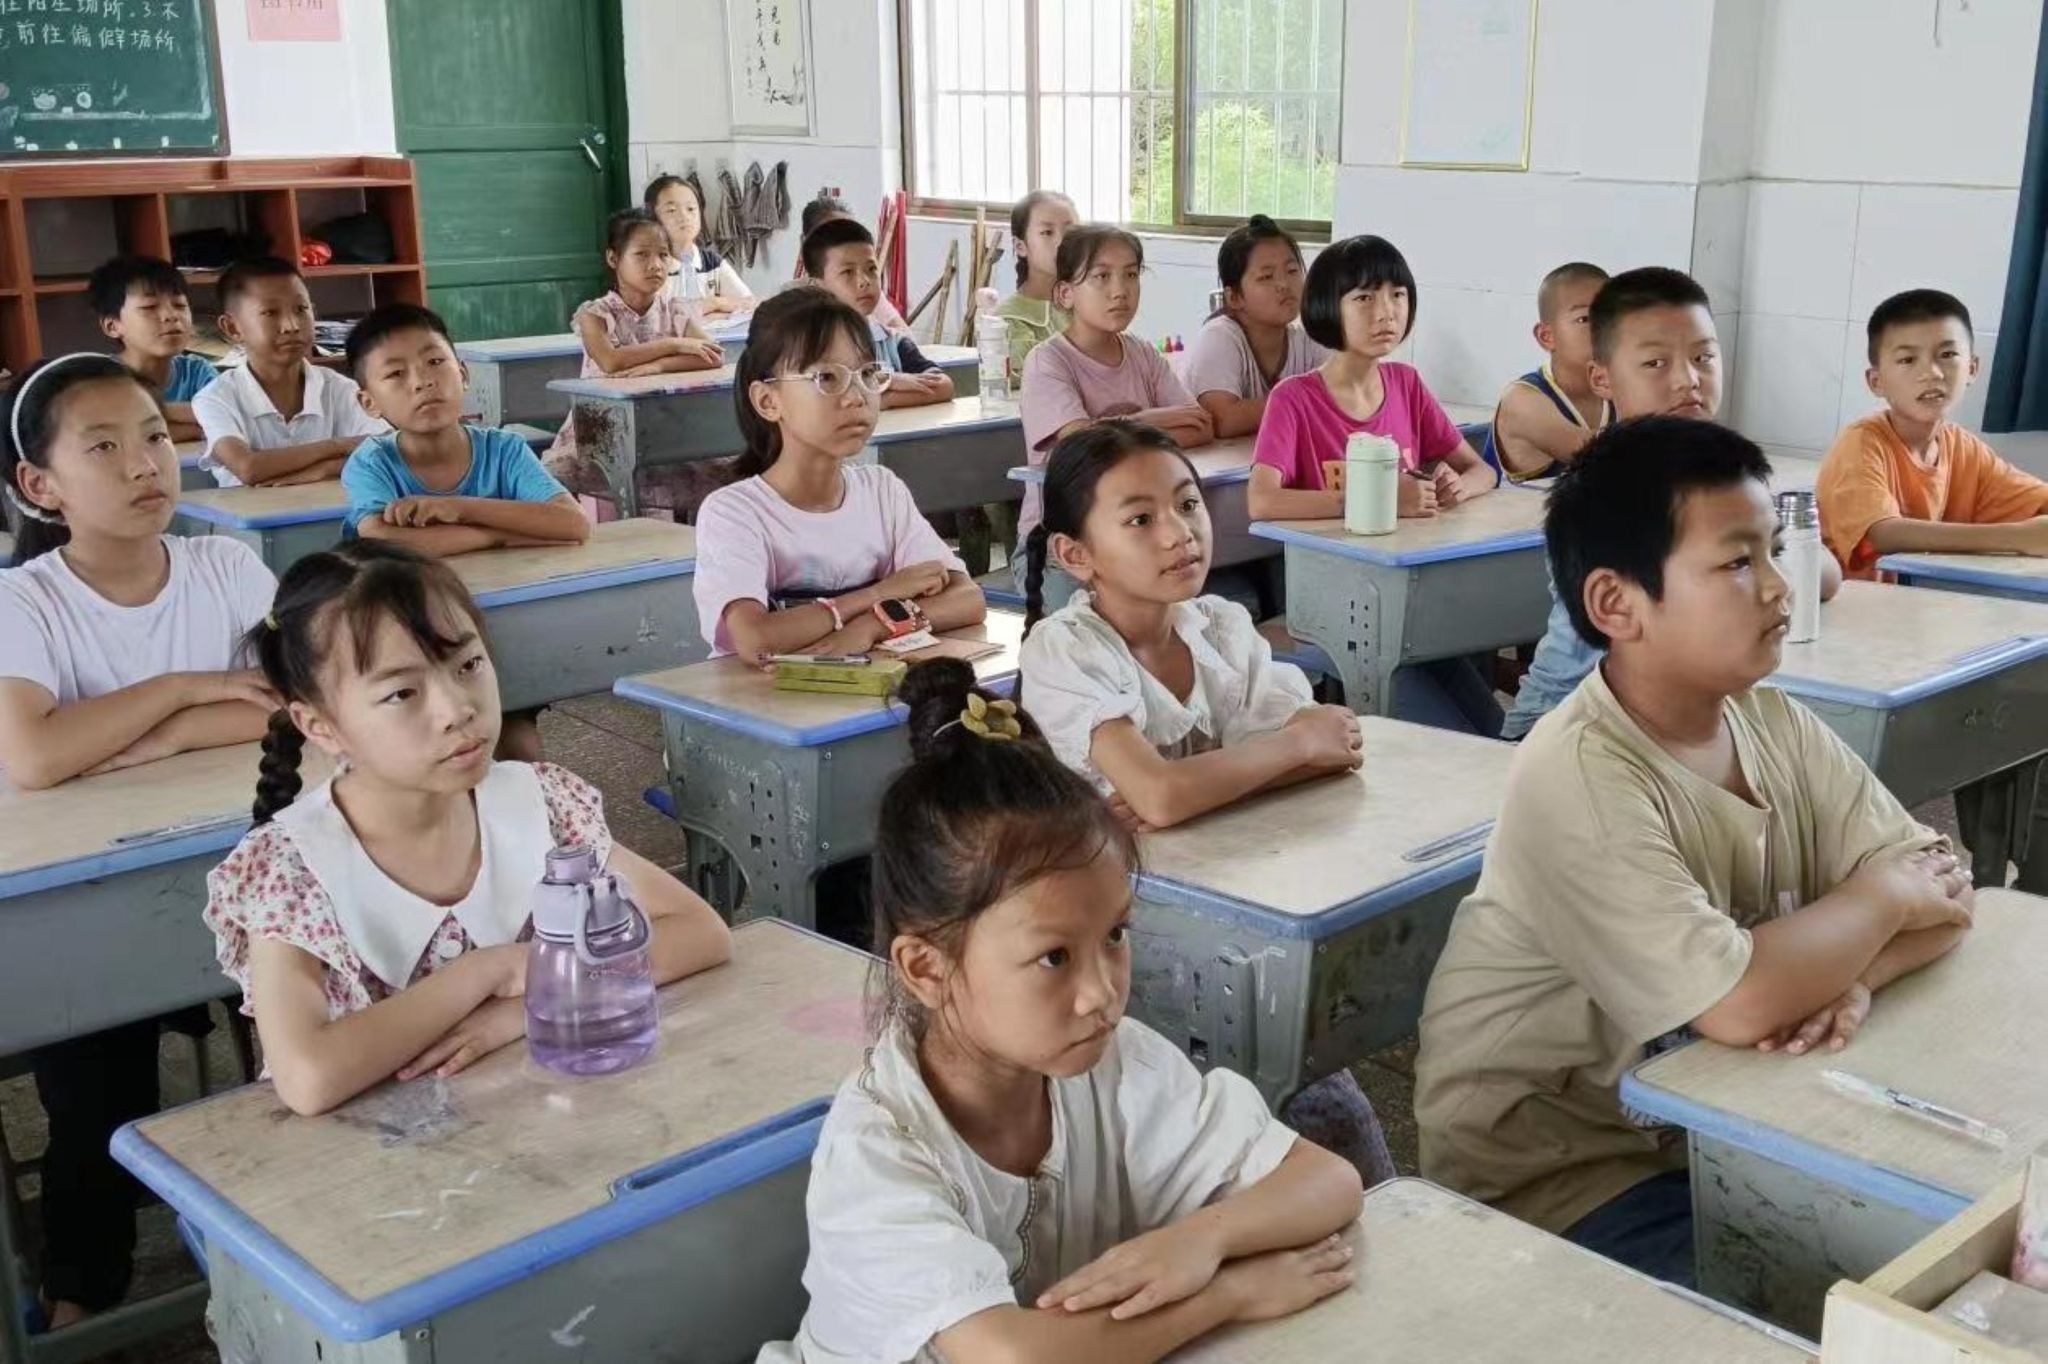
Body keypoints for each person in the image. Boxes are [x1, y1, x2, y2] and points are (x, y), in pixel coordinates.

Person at [1413, 417, 1972, 1285]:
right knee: (1845, 1304)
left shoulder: (1770, 718)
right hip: (1562, 1178)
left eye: (1774, 551)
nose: (1780, 586)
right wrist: (1880, 901)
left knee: (1947, 1255)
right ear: (1616, 605)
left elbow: (1946, 889)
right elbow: (1739, 1004)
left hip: (1723, 1124)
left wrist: (1855, 975)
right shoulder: (1579, 771)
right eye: (1738, 563)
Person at [762, 657, 1365, 1362]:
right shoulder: (880, 1151)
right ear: (927, 968)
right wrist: (1225, 1295)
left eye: (1115, 935)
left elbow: (1327, 1181)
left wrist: (1201, 1241)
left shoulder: (1114, 1062)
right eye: (1054, 957)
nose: (1103, 993)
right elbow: (1019, 1357)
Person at [202, 540, 733, 1117]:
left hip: (546, 1123)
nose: (457, 708)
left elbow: (700, 933)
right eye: (402, 693)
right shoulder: (293, 869)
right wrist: (489, 970)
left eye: (469, 666)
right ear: (319, 726)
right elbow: (309, 1078)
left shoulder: (540, 803)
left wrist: (517, 1009)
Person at [1016, 420, 1393, 1189]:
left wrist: (1197, 783)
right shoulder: (1066, 649)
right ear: (1076, 556)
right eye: (1140, 519)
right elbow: (1168, 791)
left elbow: (1328, 753)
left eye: (1187, 505)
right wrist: (1268, 756)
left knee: (1324, 1109)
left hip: (1231, 915)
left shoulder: (1219, 625)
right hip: (1117, 945)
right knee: (1312, 1117)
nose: (1178, 533)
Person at [0, 354, 278, 1330]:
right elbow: (36, 755)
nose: (142, 463)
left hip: (247, 872)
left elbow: (296, 703)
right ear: (41, 485)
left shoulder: (224, 566)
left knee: (323, 1021)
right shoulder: (24, 601)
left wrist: (149, 737)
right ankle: (84, 1286)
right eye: (103, 447)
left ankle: (301, 1232)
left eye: (155, 436)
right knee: (93, 1081)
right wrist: (185, 689)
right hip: (86, 899)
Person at [1498, 267, 1842, 742]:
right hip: (1566, 723)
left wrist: (1766, 561)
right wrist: (1778, 560)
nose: (1688, 380)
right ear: (1602, 377)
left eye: (1704, 357)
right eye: (1656, 363)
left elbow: (1825, 572)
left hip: (1661, 722)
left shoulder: (1720, 474)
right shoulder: (1607, 488)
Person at [692, 288, 984, 660]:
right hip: (760, 692)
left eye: (867, 373)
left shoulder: (881, 491)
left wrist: (875, 624)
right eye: (827, 377)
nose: (857, 396)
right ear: (768, 401)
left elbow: (966, 598)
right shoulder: (735, 512)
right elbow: (756, 640)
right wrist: (881, 594)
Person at [1017, 225, 1213, 613]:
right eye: (1101, 277)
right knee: (1093, 634)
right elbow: (1082, 446)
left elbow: (1200, 424)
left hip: (1143, 535)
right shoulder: (1048, 361)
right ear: (1065, 293)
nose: (1120, 290)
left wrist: (1121, 426)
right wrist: (1150, 424)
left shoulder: (1143, 353)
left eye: (1131, 274)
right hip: (1067, 546)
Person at [1246, 233, 1493, 524]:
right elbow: (1261, 502)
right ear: (1327, 306)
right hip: (1327, 551)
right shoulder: (1292, 399)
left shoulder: (1407, 384)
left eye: (1397, 295)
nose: (1386, 313)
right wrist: (1377, 499)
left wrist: (1456, 488)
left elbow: (1482, 471)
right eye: (1364, 298)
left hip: (1404, 547)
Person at [1816, 288, 2048, 576]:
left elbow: (2039, 502)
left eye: (1947, 354)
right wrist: (2017, 538)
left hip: (1917, 598)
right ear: (1876, 381)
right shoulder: (1861, 444)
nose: (1932, 373)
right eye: (1907, 360)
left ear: (1972, 368)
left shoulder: (1964, 449)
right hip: (1852, 602)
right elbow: (1884, 534)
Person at [541, 208, 728, 519]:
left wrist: (659, 367)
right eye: (642, 255)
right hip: (600, 430)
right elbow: (611, 361)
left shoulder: (673, 309)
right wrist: (673, 344)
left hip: (662, 426)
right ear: (613, 259)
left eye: (663, 255)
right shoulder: (594, 314)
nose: (656, 265)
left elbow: (713, 356)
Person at [191, 256, 388, 488]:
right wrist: (338, 446)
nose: (292, 325)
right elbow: (247, 468)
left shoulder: (340, 388)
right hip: (253, 513)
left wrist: (324, 469)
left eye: (301, 309)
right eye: (270, 313)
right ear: (232, 327)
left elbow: (388, 454)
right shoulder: (215, 397)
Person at [1182, 215, 1327, 439]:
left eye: (1292, 270)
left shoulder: (1308, 339)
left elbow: (1344, 393)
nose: (1284, 284)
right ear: (1234, 297)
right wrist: (1301, 400)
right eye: (1266, 277)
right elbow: (1223, 420)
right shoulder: (1219, 336)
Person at [801, 217, 954, 410]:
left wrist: (879, 398)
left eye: (871, 269)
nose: (864, 281)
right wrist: (887, 381)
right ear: (817, 286)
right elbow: (816, 399)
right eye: (848, 272)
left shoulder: (891, 342)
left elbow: (944, 386)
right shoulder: (804, 344)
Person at [1482, 261, 1611, 481]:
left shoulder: (1620, 385)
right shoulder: (1521, 400)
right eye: (1585, 319)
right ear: (1547, 337)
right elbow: (1604, 455)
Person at [86, 253, 218, 442]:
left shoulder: (197, 372)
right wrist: (198, 428)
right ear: (112, 326)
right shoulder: (101, 380)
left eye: (179, 305)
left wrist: (148, 415)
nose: (171, 316)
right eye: (149, 307)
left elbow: (229, 419)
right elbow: (119, 437)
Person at [993, 188, 1079, 385]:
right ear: (1020, 246)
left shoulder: (1091, 306)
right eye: (1047, 232)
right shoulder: (1009, 320)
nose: (1062, 242)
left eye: (1071, 232)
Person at [795, 195, 912, 335]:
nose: (844, 243)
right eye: (847, 272)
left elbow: (906, 336)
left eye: (871, 268)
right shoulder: (790, 301)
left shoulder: (865, 293)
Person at [645, 172, 754, 315]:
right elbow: (657, 316)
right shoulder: (651, 267)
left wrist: (716, 303)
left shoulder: (712, 262)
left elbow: (749, 303)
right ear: (652, 218)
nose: (684, 217)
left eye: (691, 208)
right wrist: (709, 306)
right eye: (671, 210)